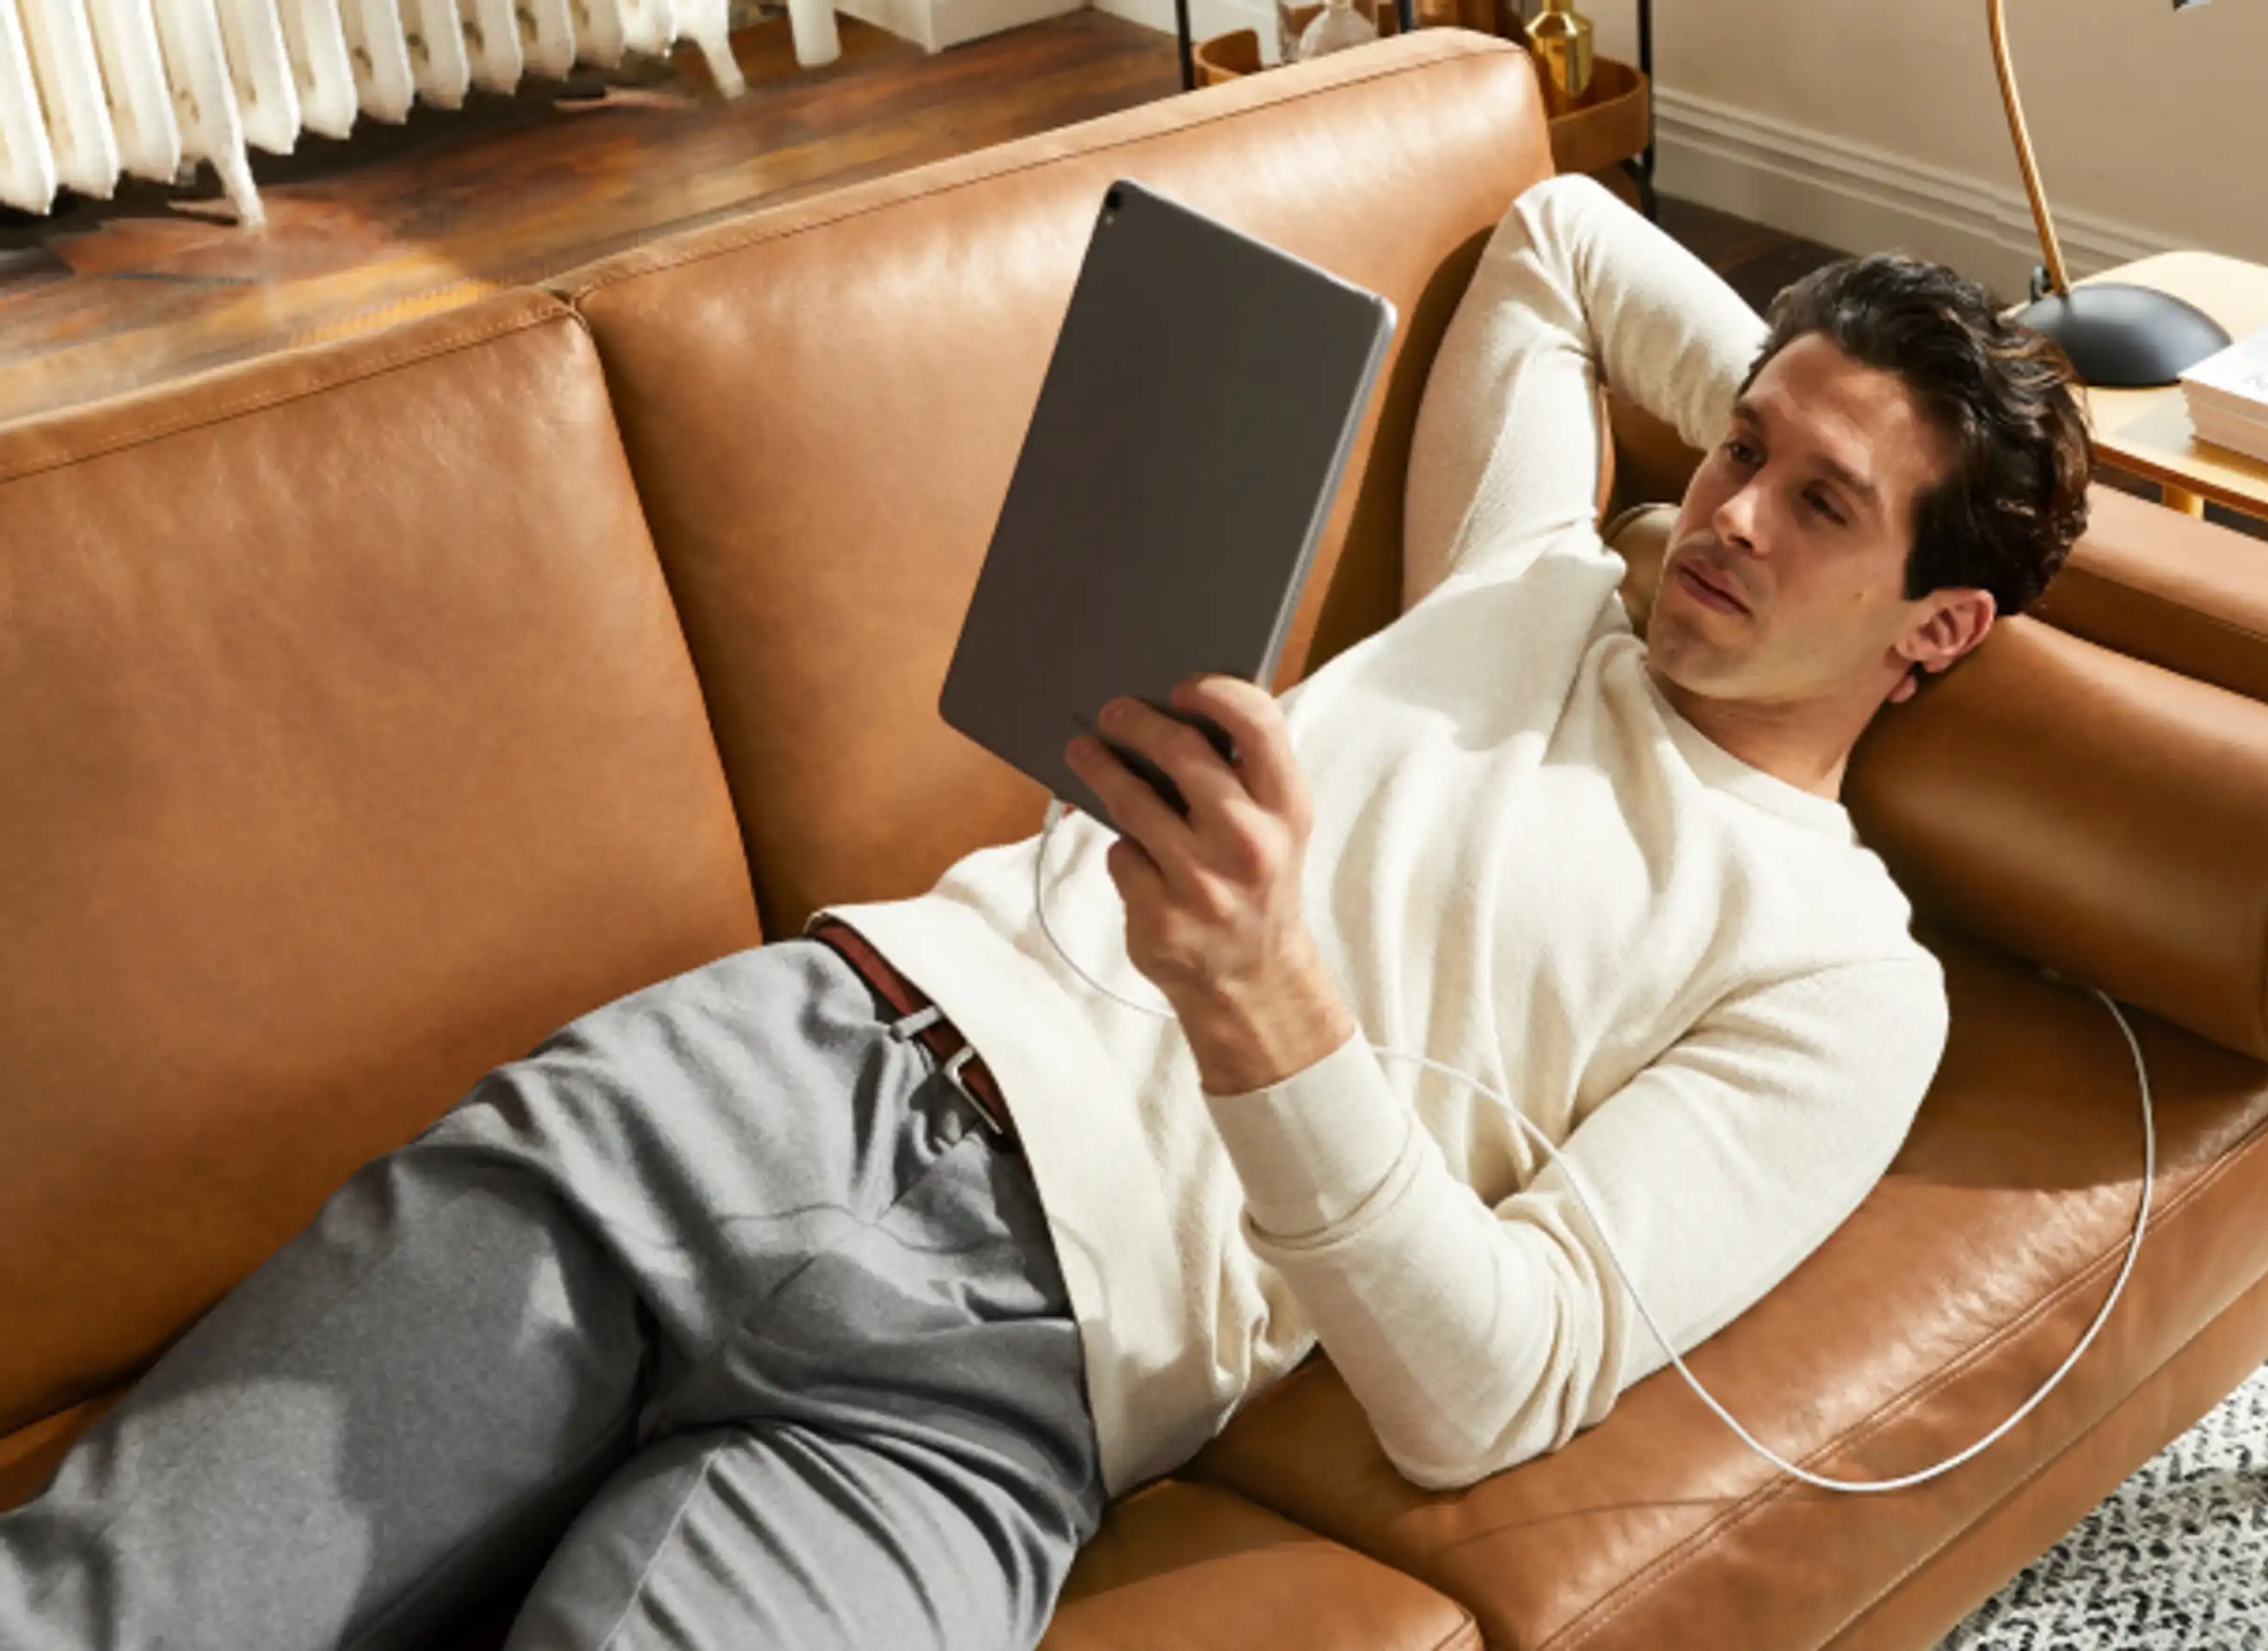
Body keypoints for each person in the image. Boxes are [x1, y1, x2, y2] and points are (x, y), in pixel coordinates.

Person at [0, 173, 2092, 1650]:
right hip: (779, 1079)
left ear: (1942, 629)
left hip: (1010, 1391)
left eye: (1822, 509)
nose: (1724, 514)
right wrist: (1841, 383)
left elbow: (1497, 1384)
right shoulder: (1537, 569)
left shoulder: (1839, 976)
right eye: (1735, 448)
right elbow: (1553, 245)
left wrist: (1277, 1013)